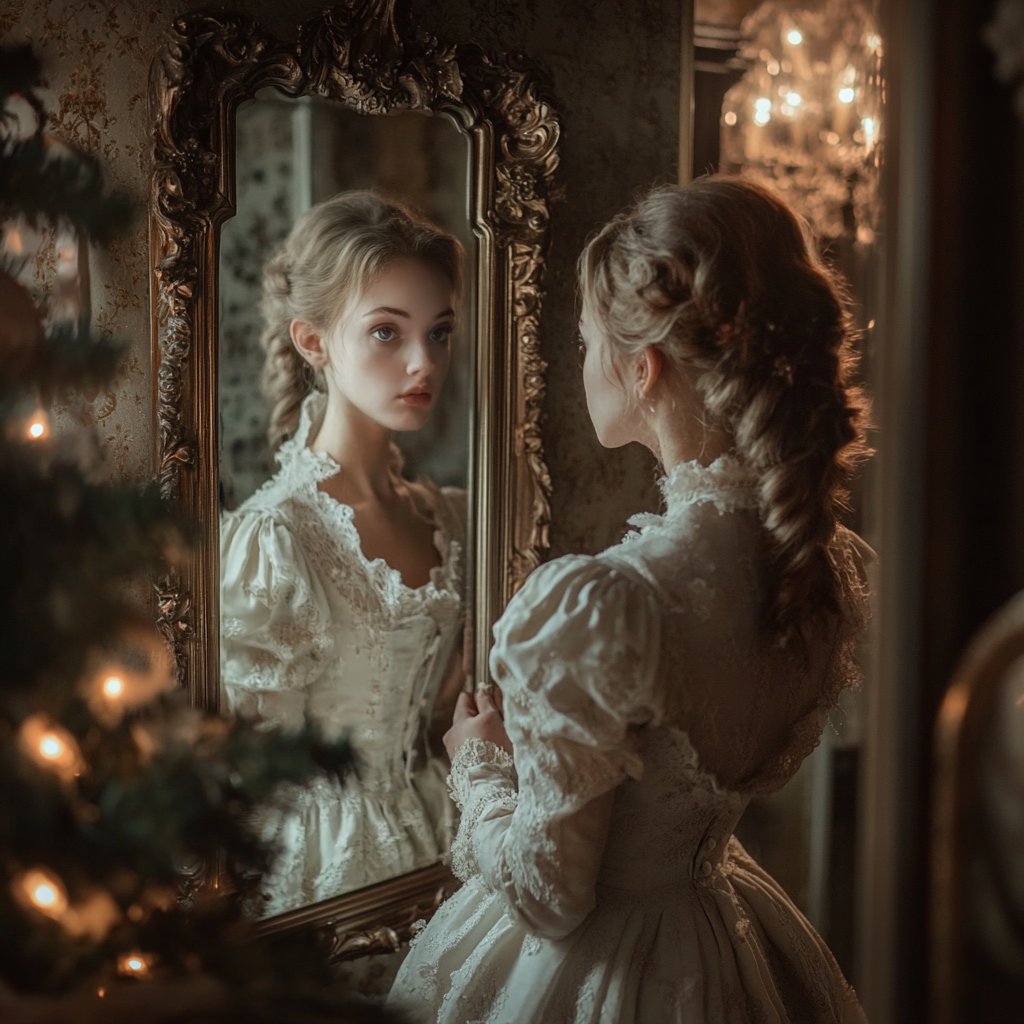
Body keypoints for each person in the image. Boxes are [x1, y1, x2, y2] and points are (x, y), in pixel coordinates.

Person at [387, 177, 872, 1022]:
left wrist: (480, 764)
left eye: (581, 342)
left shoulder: (609, 603)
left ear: (643, 369)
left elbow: (549, 898)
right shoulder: (823, 563)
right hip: (729, 939)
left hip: (599, 978)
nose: (580, 364)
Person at [220, 192, 468, 917]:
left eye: (440, 333)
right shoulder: (274, 538)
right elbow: (250, 780)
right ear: (313, 341)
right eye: (388, 332)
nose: (424, 362)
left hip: (449, 836)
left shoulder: (451, 514)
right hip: (324, 875)